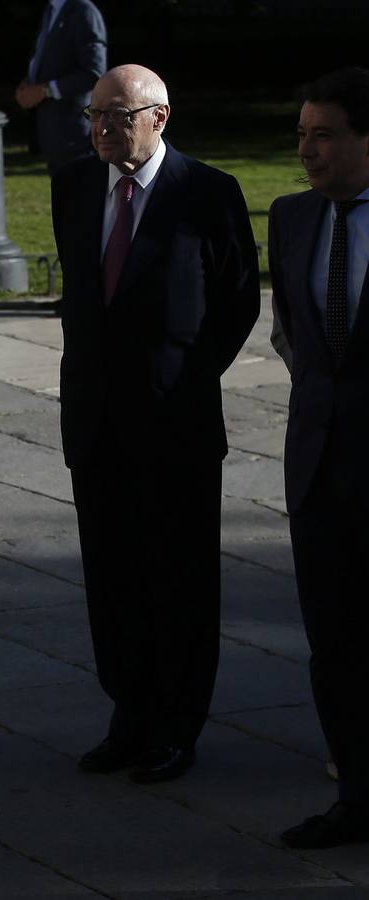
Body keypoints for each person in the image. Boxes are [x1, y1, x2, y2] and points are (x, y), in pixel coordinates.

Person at [51, 64, 258, 784]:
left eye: (118, 115)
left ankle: (177, 723)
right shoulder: (75, 185)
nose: (103, 127)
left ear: (159, 118)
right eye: (95, 115)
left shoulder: (206, 192)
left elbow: (236, 301)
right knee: (112, 579)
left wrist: (187, 377)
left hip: (176, 425)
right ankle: (128, 713)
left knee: (179, 579)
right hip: (96, 422)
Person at [269, 66, 369, 850]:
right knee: (333, 640)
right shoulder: (292, 217)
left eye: (324, 134)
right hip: (317, 464)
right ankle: (356, 799)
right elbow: (292, 332)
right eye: (302, 135)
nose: (307, 150)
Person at [15, 0, 107, 176]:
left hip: (74, 134)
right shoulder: (51, 10)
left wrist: (46, 90)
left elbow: (94, 72)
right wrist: (28, 83)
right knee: (62, 198)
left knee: (77, 197)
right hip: (52, 131)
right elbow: (49, 61)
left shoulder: (83, 10)